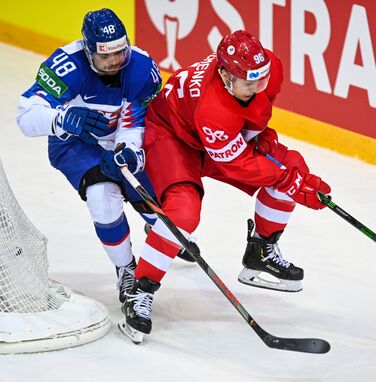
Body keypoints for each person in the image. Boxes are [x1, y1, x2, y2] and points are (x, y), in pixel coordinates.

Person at [121, 30, 331, 336]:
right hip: (173, 138)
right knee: (183, 213)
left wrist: (270, 150)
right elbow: (238, 165)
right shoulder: (213, 107)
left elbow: (253, 117)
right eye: (250, 83)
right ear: (225, 75)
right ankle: (141, 289)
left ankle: (261, 250)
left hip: (214, 135)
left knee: (291, 165)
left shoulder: (263, 72)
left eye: (262, 80)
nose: (259, 88)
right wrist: (290, 181)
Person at [16, 8, 162, 304]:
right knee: (102, 197)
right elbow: (25, 116)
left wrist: (128, 152)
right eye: (105, 56)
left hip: (121, 138)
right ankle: (125, 268)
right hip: (75, 144)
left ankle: (155, 223)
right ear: (87, 49)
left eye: (120, 52)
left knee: (150, 196)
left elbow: (135, 120)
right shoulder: (65, 67)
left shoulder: (142, 67)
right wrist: (61, 119)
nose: (114, 62)